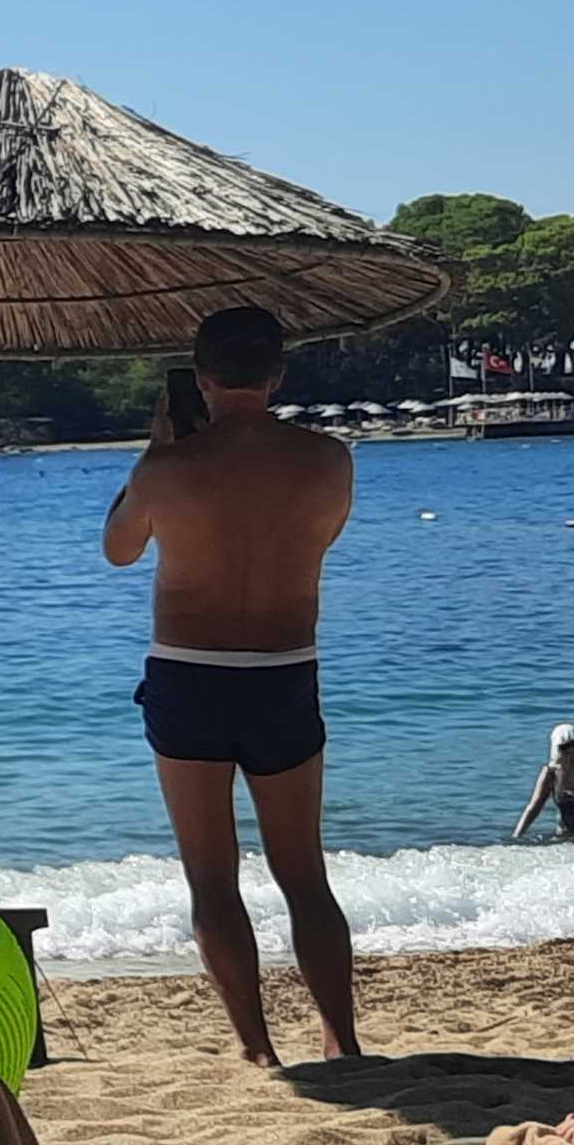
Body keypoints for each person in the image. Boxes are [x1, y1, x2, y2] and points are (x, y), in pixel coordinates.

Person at [104, 305, 359, 1067]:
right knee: (303, 872)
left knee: (212, 876)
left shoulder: (167, 469)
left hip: (190, 674)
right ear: (276, 375)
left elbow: (119, 550)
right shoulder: (329, 460)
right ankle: (341, 1041)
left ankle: (257, 1049)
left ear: (200, 378)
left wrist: (157, 450)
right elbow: (320, 537)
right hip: (284, 671)